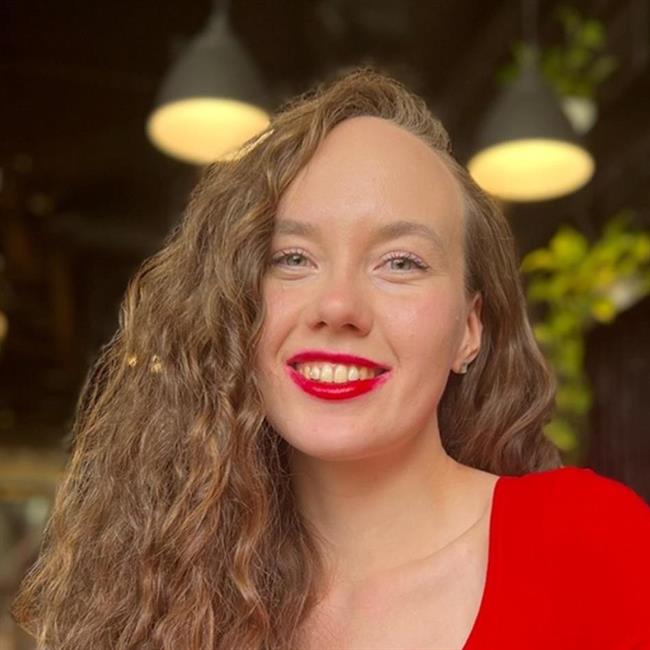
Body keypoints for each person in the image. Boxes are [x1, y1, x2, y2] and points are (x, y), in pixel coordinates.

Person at [11, 67, 650, 650]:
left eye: (401, 263)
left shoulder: (595, 548)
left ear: (469, 330)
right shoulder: (163, 597)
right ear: (236, 309)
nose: (338, 305)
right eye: (292, 258)